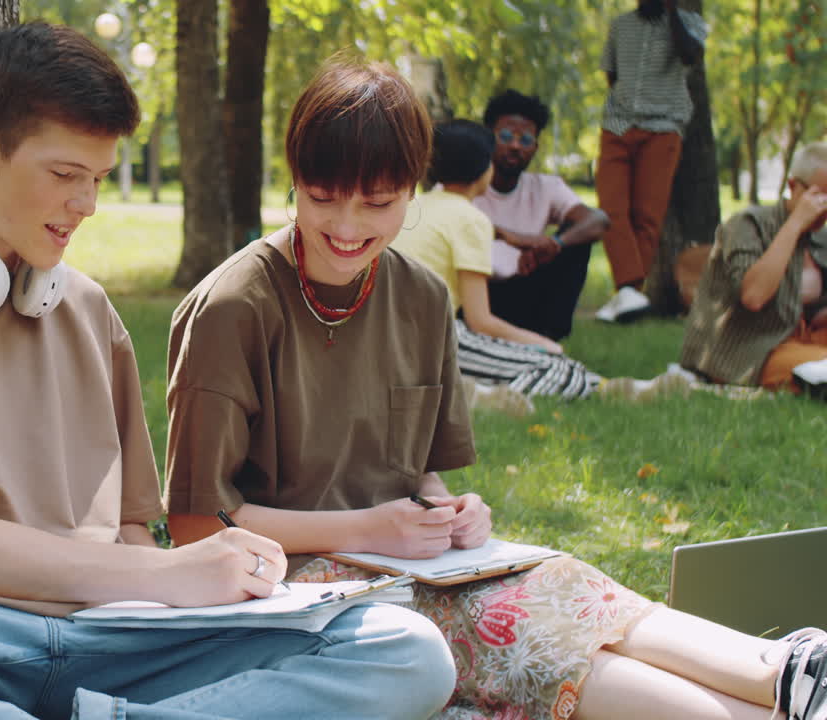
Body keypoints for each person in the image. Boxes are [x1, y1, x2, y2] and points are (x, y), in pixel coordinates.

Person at [0, 23, 456, 720]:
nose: (85, 206)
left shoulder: (86, 309)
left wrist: (185, 594)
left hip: (115, 632)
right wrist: (167, 572)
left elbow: (129, 529)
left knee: (404, 650)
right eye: (65, 176)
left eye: (97, 180)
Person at [165, 54, 827, 720]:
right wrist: (372, 529)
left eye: (378, 203)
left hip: (403, 562)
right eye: (322, 197)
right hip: (289, 588)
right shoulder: (233, 308)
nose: (346, 226)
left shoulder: (421, 297)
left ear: (413, 191)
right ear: (294, 180)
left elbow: (416, 473)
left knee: (562, 578)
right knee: (508, 625)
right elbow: (197, 526)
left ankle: (785, 672)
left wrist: (446, 510)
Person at [397, 118, 602, 401]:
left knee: (559, 367)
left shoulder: (412, 207)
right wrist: (543, 344)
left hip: (389, 336)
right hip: (431, 339)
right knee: (561, 368)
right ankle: (479, 399)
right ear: (486, 169)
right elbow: (480, 321)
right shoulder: (471, 219)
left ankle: (615, 388)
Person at [679, 141, 827, 395]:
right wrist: (795, 224)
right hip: (753, 349)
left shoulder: (820, 238)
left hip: (801, 338)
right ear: (793, 186)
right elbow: (754, 296)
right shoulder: (748, 225)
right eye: (820, 196)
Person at [594, 0, 707, 323]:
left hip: (663, 128)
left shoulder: (688, 24)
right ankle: (629, 291)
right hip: (618, 125)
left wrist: (671, 14)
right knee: (609, 209)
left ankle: (627, 293)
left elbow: (690, 56)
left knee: (647, 216)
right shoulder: (620, 25)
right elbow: (612, 74)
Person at [473, 90, 610, 341]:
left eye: (525, 140)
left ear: (535, 147)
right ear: (488, 137)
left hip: (526, 290)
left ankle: (549, 339)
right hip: (475, 296)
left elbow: (598, 220)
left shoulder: (545, 187)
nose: (515, 146)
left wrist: (555, 244)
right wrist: (509, 236)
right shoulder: (464, 184)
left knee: (576, 240)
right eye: (506, 136)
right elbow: (441, 219)